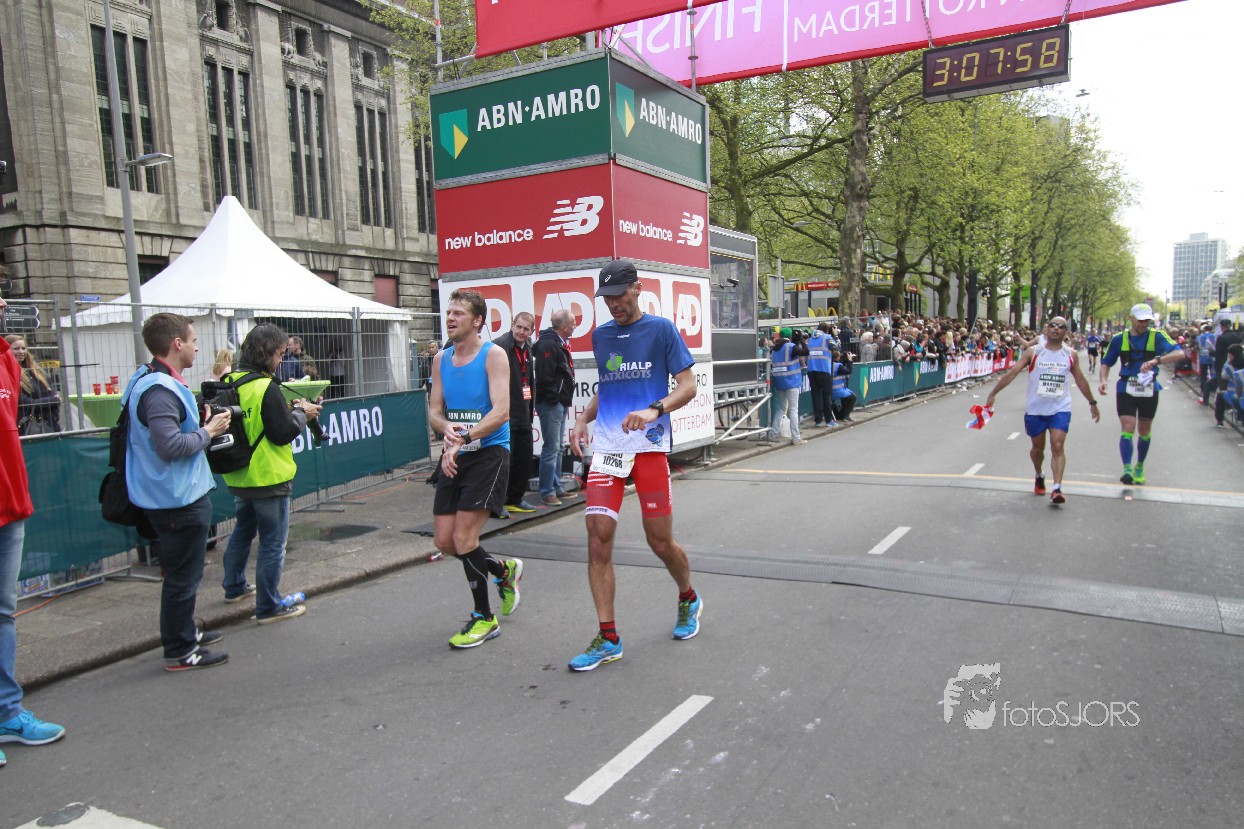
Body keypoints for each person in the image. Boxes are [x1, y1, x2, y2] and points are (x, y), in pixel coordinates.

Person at [567, 259, 700, 671]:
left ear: (637, 288)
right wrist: (583, 419)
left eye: (619, 295)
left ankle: (688, 596)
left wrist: (654, 409)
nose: (613, 305)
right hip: (609, 448)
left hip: (649, 447)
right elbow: (609, 387)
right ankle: (608, 637)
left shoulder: (661, 330)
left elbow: (689, 386)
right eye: (606, 298)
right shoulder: (601, 336)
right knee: (597, 537)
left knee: (659, 541)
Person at [123, 313, 233, 670]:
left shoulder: (150, 380)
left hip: (172, 495)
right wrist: (210, 431)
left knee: (183, 575)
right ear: (177, 343)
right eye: (193, 340)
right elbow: (170, 446)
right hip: (176, 499)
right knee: (182, 579)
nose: (197, 347)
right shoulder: (159, 389)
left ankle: (185, 634)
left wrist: (198, 424)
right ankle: (181, 650)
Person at [428, 289, 523, 648]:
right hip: (456, 453)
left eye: (459, 313)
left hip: (489, 453)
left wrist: (464, 437)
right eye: (448, 312)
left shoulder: (493, 355)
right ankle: (502, 571)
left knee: (464, 539)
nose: (450, 318)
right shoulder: (441, 358)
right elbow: (434, 410)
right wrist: (445, 428)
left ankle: (485, 618)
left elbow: (501, 411)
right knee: (444, 541)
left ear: (477, 320)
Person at [0, 298, 67, 766]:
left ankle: (7, 713)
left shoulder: (7, 359)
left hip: (10, 507)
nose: (4, 302)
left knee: (4, 614)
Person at [220, 325, 321, 622]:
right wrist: (301, 413)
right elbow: (282, 433)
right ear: (266, 354)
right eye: (279, 354)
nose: (281, 360)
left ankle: (234, 587)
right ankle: (268, 606)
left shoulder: (230, 381)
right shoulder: (266, 387)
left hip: (239, 474)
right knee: (272, 544)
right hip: (269, 476)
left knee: (242, 531)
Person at [986, 317, 1100, 504]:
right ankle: (1039, 474)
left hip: (1060, 408)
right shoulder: (1034, 352)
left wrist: (1092, 402)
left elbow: (1080, 379)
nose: (1056, 329)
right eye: (1052, 325)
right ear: (1046, 329)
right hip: (1036, 409)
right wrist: (993, 393)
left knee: (1057, 445)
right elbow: (1012, 373)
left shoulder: (1070, 354)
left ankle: (1057, 488)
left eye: (1060, 327)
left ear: (1065, 332)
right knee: (1037, 449)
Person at [1098, 304, 1183, 486]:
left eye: (1146, 320)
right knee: (1128, 426)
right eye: (1140, 320)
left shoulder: (1157, 336)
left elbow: (1179, 353)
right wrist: (1103, 380)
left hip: (1149, 388)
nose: (1143, 324)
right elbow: (1106, 363)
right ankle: (1127, 468)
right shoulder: (1119, 339)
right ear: (1131, 319)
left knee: (1144, 430)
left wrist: (1157, 360)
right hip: (1126, 387)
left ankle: (1140, 465)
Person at [494, 312, 539, 516]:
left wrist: (530, 410)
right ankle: (497, 503)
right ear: (512, 325)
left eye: (526, 329)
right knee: (504, 462)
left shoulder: (528, 346)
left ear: (531, 331)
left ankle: (515, 499)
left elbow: (528, 379)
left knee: (524, 459)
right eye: (519, 327)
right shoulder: (500, 346)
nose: (521, 332)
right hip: (504, 415)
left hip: (523, 414)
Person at [533, 309, 577, 506]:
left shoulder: (557, 342)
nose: (575, 326)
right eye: (573, 323)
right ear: (565, 326)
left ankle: (557, 487)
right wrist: (555, 399)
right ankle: (547, 491)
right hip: (551, 403)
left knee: (558, 447)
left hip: (559, 402)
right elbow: (545, 376)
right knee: (551, 448)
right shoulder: (548, 344)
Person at [4, 335, 61, 434]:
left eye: (23, 348)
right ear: (7, 351)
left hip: (50, 424)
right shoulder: (7, 374)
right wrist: (53, 400)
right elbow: (25, 403)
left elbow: (51, 391)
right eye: (16, 349)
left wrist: (53, 401)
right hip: (26, 427)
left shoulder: (37, 371)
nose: (21, 351)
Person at [763, 327, 805, 446]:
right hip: (792, 381)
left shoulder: (775, 349)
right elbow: (806, 352)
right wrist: (801, 340)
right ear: (790, 336)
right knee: (793, 409)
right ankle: (796, 438)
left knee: (781, 408)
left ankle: (773, 434)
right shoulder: (791, 347)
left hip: (780, 382)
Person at [806, 323, 835, 427]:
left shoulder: (811, 339)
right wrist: (836, 335)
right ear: (827, 330)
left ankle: (818, 420)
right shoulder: (827, 338)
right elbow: (837, 347)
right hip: (824, 369)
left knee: (815, 395)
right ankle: (829, 420)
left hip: (811, 369)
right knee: (826, 395)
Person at [1215, 343, 1244, 428]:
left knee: (1220, 395)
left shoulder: (1230, 367)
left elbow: (1223, 376)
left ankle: (1220, 421)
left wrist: (1227, 361)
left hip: (1232, 393)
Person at [830, 347, 857, 422]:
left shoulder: (831, 364)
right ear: (837, 357)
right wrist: (850, 360)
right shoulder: (837, 366)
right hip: (837, 390)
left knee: (846, 397)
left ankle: (842, 415)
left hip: (831, 390)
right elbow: (849, 371)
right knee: (853, 397)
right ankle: (846, 416)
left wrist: (845, 361)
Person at [1194, 324, 1217, 404]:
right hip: (1212, 356)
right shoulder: (1214, 336)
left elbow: (1196, 346)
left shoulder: (1199, 337)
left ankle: (1203, 387)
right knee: (1212, 373)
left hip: (1202, 357)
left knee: (1203, 373)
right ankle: (1212, 387)